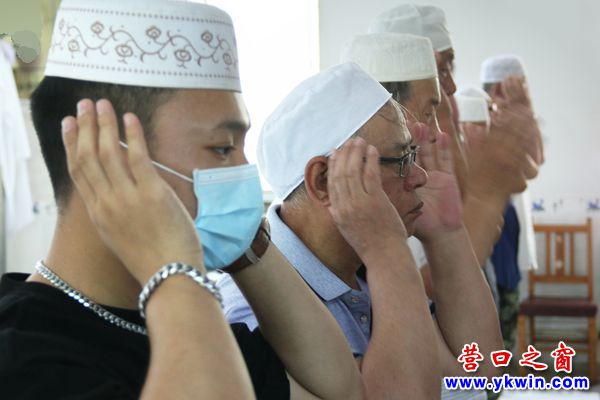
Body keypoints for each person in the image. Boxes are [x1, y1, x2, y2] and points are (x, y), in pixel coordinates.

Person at [0, 1, 366, 399]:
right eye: (222, 148)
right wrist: (173, 268)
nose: (241, 171)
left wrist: (246, 249)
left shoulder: (184, 322)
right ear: (109, 156)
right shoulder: (21, 355)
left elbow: (339, 390)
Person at [218, 62, 503, 399]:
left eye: (413, 154)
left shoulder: (362, 271)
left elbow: (481, 376)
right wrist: (387, 251)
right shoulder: (257, 307)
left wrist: (446, 235)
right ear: (323, 181)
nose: (419, 176)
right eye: (401, 160)